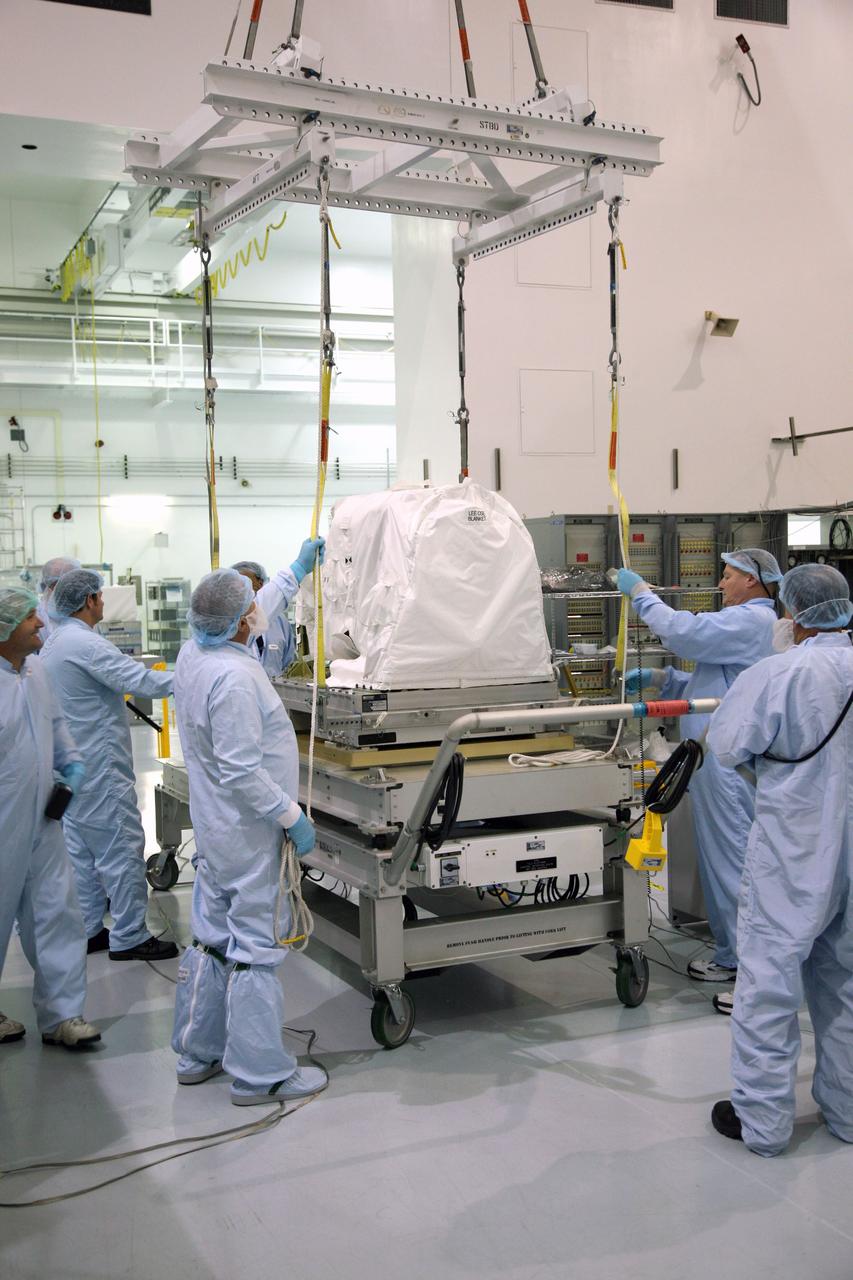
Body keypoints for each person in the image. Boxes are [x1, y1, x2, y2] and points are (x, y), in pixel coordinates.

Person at [706, 564, 853, 1157]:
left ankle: (763, 1122)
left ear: (792, 613)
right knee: (844, 980)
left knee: (768, 980)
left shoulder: (779, 674)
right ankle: (846, 1111)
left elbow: (726, 745)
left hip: (795, 847)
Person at [171, 566, 327, 1106]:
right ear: (240, 624)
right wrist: (290, 816)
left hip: (215, 827)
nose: (260, 610)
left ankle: (198, 1051)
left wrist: (294, 572)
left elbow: (258, 610)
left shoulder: (195, 655)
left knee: (211, 937)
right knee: (257, 948)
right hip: (249, 832)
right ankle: (260, 1074)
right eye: (251, 608)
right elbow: (241, 769)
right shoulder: (236, 680)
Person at [617, 548, 782, 984]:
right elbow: (718, 681)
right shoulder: (752, 624)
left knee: (731, 862)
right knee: (727, 859)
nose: (722, 583)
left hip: (724, 763)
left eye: (729, 576)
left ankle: (744, 968)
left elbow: (683, 633)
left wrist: (641, 593)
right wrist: (661, 681)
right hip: (715, 760)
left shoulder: (752, 620)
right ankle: (736, 955)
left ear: (752, 580)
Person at [40, 569, 178, 962]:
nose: (103, 602)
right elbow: (143, 682)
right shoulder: (84, 644)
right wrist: (196, 672)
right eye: (99, 597)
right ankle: (130, 935)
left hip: (71, 769)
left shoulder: (55, 643)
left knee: (81, 853)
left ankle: (90, 930)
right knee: (121, 848)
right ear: (88, 601)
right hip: (99, 767)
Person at [0, 587, 101, 1049]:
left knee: (57, 911)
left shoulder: (35, 669)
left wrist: (72, 764)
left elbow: (57, 724)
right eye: (27, 619)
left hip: (43, 816)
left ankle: (62, 1016)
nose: (40, 623)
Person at [231, 541, 324, 681]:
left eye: (245, 582)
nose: (242, 589)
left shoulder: (280, 623)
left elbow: (289, 665)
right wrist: (298, 568)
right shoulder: (230, 625)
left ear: (260, 581)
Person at [36, 556, 82, 642]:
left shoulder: (84, 613)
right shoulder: (36, 618)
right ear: (47, 585)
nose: (70, 590)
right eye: (59, 584)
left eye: (74, 584)